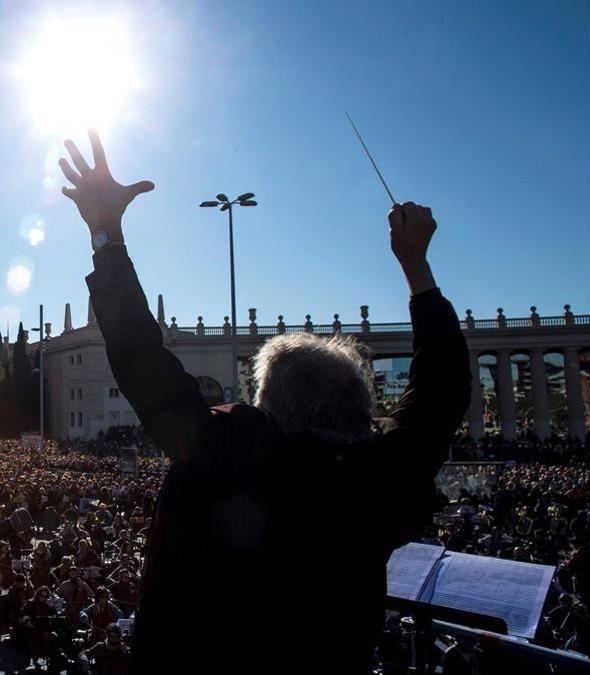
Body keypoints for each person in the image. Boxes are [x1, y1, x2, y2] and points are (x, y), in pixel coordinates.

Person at [58, 130, 470, 673]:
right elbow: (442, 393)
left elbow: (139, 358)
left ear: (269, 404)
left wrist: (107, 236)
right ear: (356, 411)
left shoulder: (230, 457)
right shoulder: (379, 478)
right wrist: (417, 268)